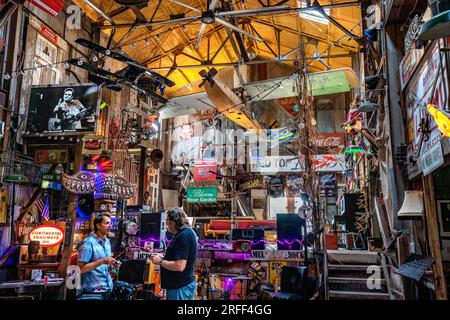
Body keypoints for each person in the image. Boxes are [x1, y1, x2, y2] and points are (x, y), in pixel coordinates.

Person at [150, 207, 198, 300]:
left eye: (168, 220)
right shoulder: (186, 233)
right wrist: (165, 257)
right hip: (180, 286)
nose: (166, 224)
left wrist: (160, 261)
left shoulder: (183, 236)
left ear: (174, 221)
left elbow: (179, 266)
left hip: (180, 287)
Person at [77, 213, 115, 299]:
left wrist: (112, 266)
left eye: (110, 223)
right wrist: (102, 261)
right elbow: (80, 269)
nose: (110, 226)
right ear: (98, 226)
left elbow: (104, 267)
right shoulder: (88, 243)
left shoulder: (107, 242)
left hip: (106, 288)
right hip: (91, 291)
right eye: (107, 223)